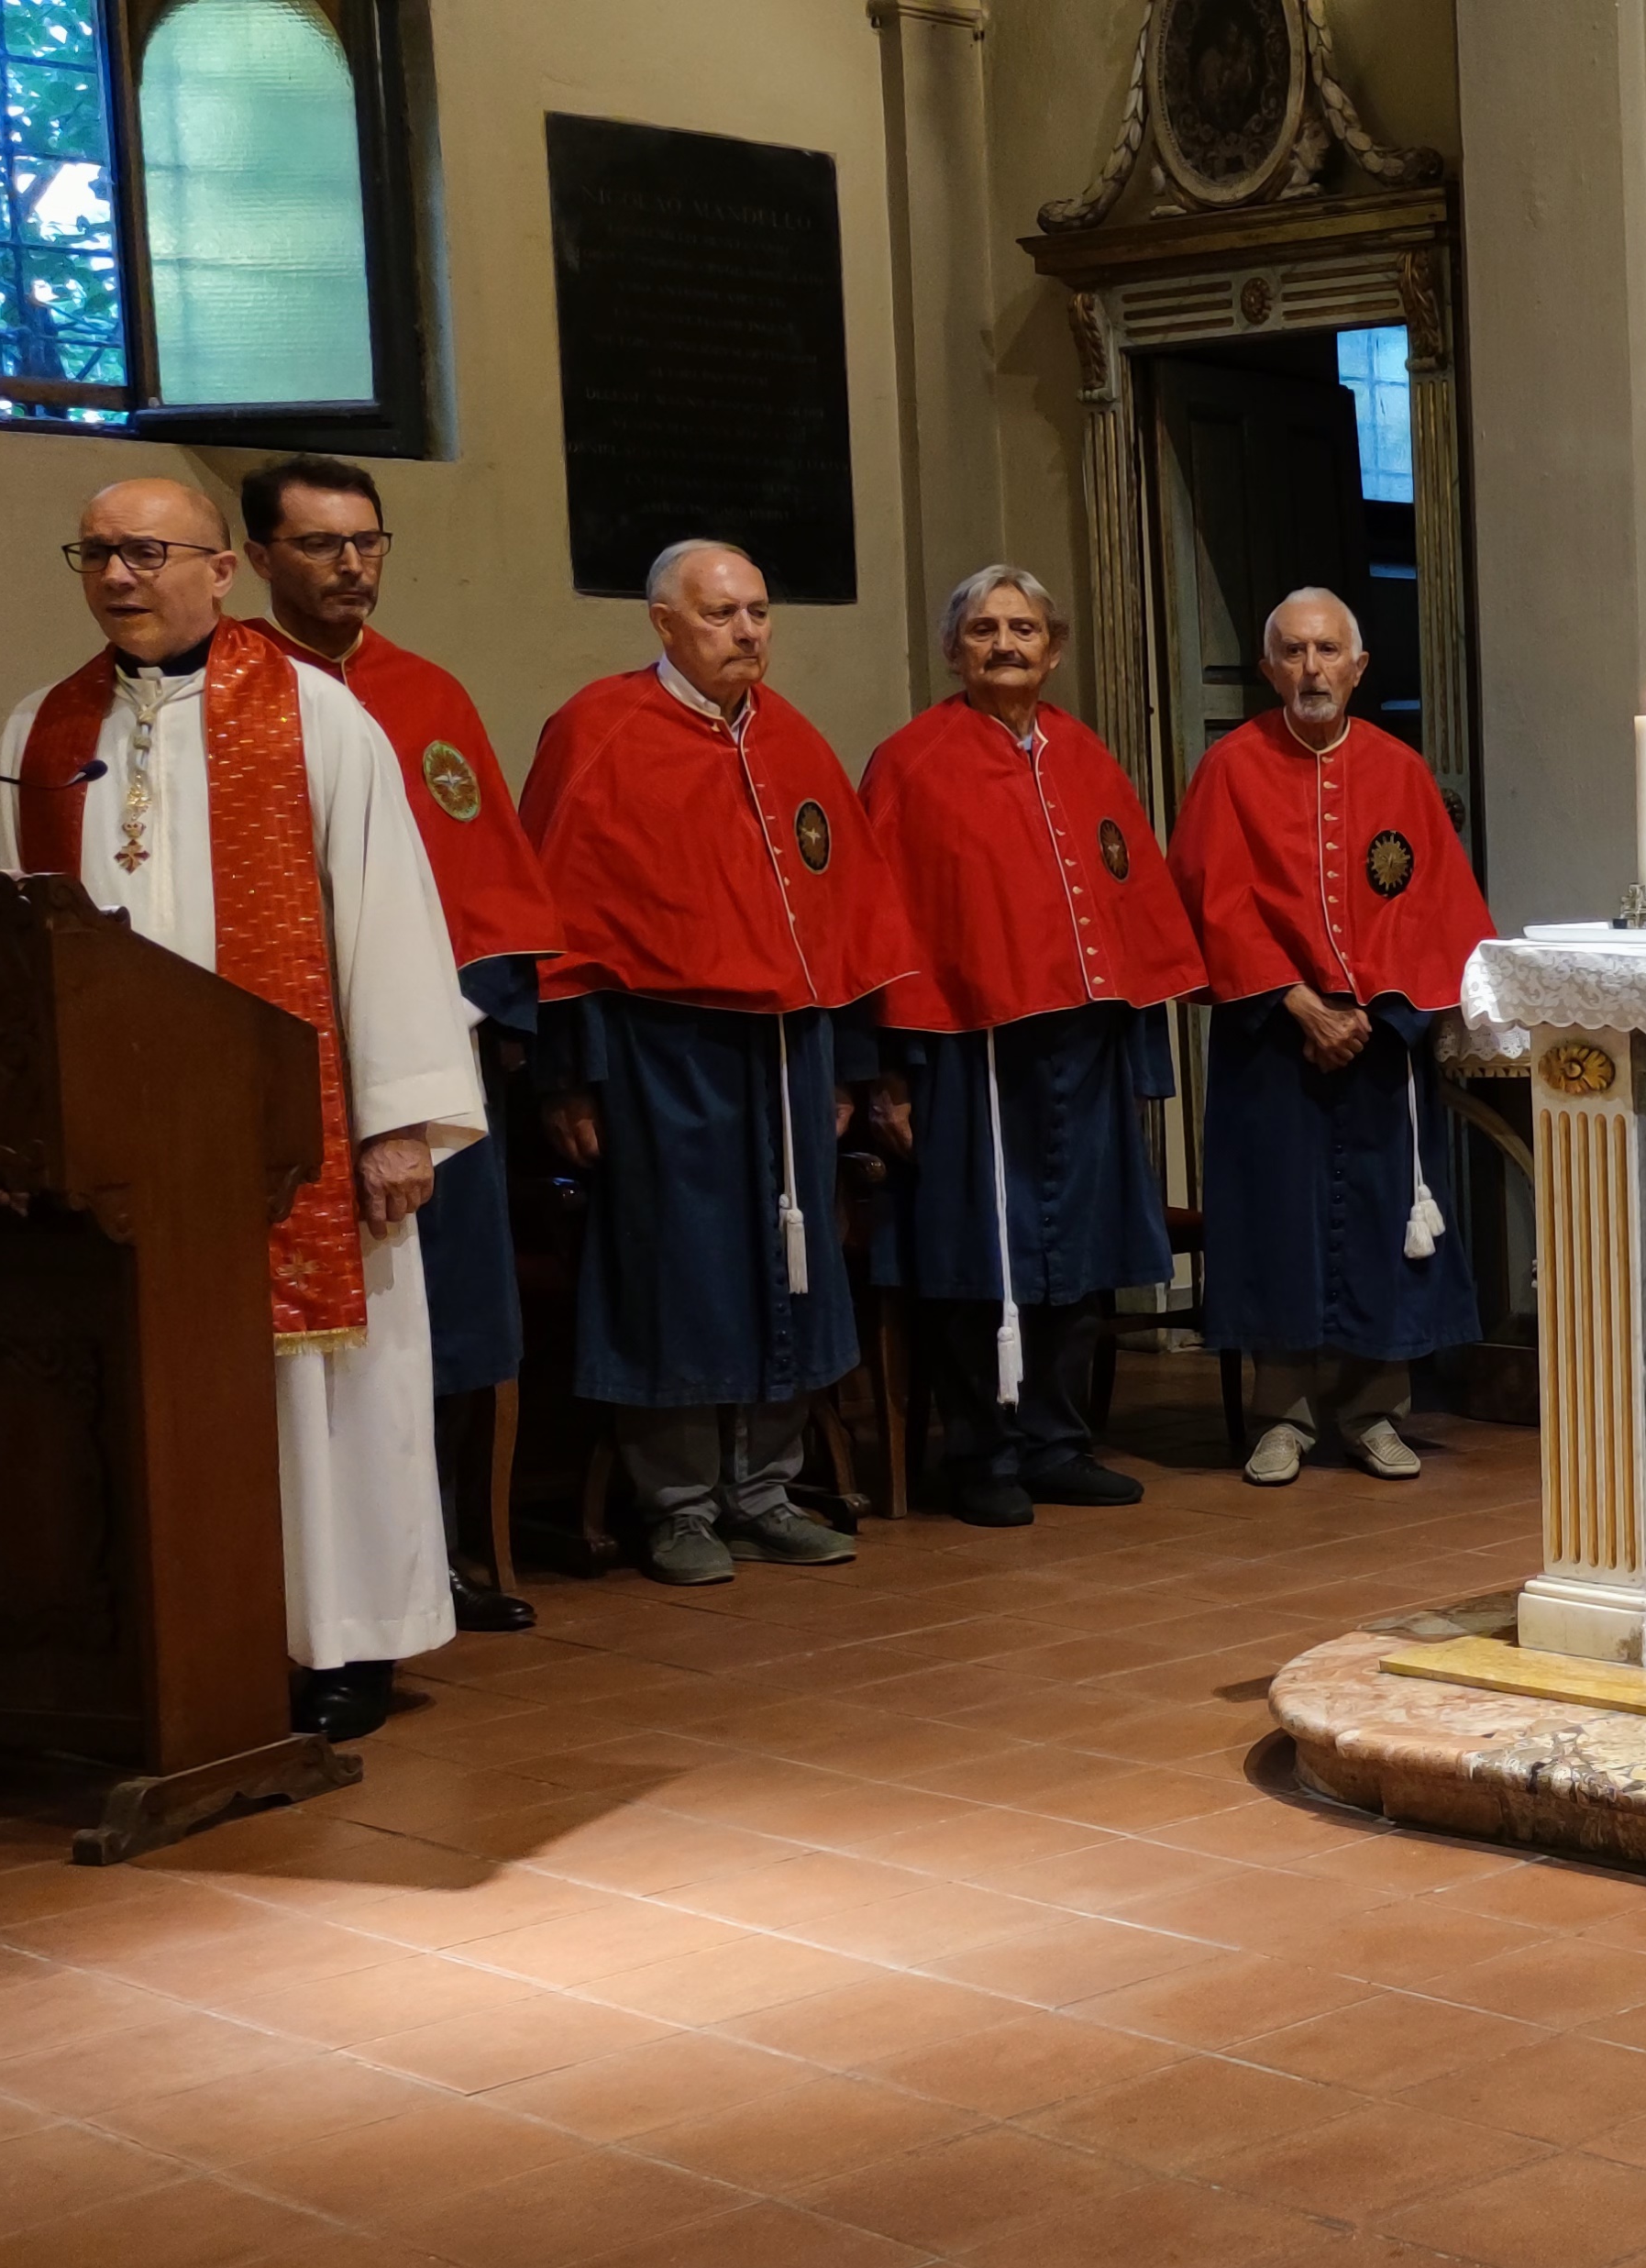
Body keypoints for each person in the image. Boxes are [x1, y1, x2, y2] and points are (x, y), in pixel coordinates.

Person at [0, 479, 481, 1742]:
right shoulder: (37, 734)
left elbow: (387, 918)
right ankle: (170, 1633)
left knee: (319, 1396)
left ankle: (341, 1644)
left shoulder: (317, 716)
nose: (118, 577)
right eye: (94, 552)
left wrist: (396, 1120)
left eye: (147, 553)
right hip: (121, 1139)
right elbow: (6, 948)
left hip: (286, 1135)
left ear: (221, 569)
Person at [521, 541, 917, 1585]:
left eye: (758, 611)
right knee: (679, 1272)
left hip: (787, 1052)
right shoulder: (597, 731)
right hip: (661, 1053)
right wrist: (568, 1077)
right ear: (663, 625)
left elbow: (850, 921)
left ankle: (767, 1488)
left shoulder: (793, 740)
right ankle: (680, 1504)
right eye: (719, 615)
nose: (746, 632)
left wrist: (846, 1069)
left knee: (790, 1268)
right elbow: (559, 924)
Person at [239, 453, 549, 1634]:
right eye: (321, 545)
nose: (351, 565)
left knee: (460, 1319)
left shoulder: (429, 694)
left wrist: (499, 1032)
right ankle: (332, 1577)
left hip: (433, 1064)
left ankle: (459, 1556)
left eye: (368, 542)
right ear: (259, 558)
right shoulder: (236, 697)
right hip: (289, 1071)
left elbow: (493, 880)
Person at [856, 567, 1204, 1526]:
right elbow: (883, 921)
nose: (1004, 645)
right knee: (981, 1260)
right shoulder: (910, 763)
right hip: (971, 1053)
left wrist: (1139, 1053)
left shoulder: (1086, 755)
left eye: (1023, 629)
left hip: (1082, 1052)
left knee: (1078, 1256)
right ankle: (983, 1454)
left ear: (1053, 648)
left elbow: (1131, 903)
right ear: (951, 649)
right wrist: (892, 1074)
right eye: (982, 629)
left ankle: (1056, 1441)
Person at [1174, 590, 1496, 1487]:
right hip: (1272, 1043)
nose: (1311, 669)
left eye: (1328, 652)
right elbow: (1215, 899)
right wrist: (1297, 1003)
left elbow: (1433, 909)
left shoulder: (1399, 771)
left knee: (1383, 1227)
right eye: (1292, 652)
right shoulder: (1229, 770)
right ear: (1269, 667)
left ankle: (1374, 1412)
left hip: (1377, 1045)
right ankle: (1282, 1417)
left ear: (1358, 667)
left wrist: (1374, 1016)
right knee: (1280, 1222)